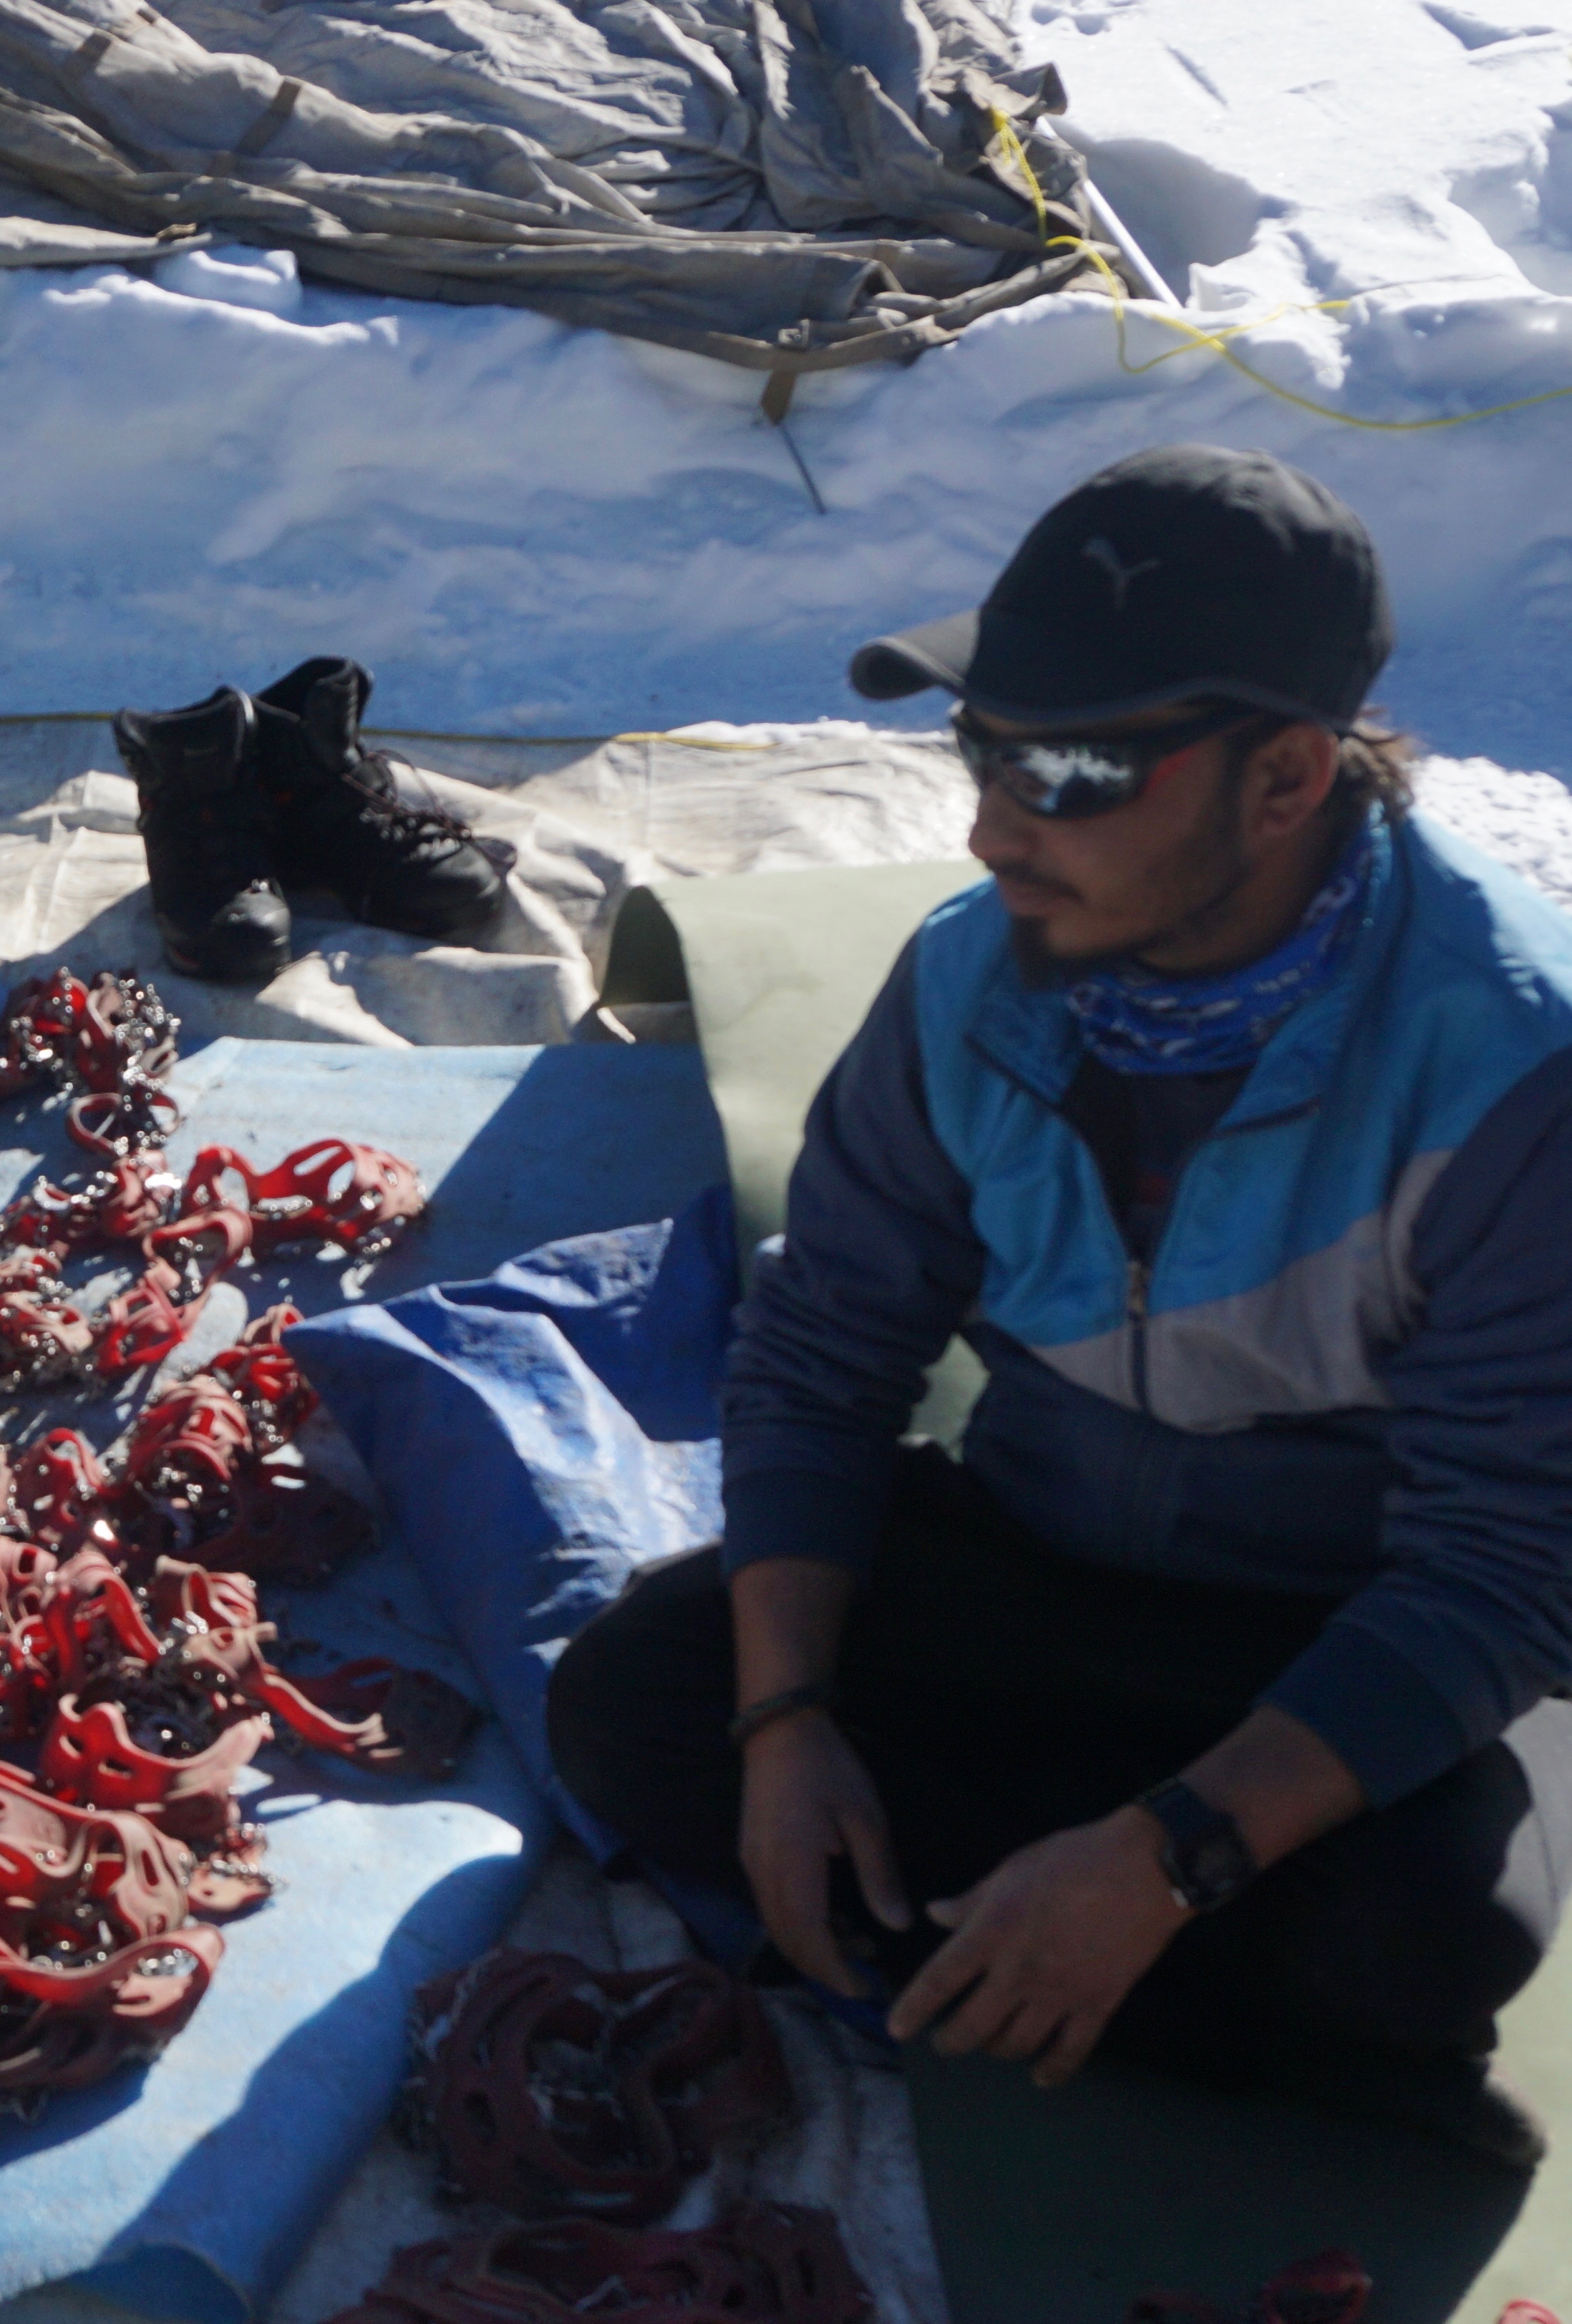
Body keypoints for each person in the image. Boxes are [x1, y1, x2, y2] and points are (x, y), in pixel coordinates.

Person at [547, 446, 1572, 2167]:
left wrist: (1167, 1853)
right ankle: (1079, 1948)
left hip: (1320, 1616)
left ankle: (1040, 1920)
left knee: (1427, 1945)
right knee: (641, 1699)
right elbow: (822, 1355)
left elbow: (1503, 1563)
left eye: (1074, 766)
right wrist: (787, 1723)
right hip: (1029, 1552)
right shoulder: (965, 976)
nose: (991, 822)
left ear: (1288, 776)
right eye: (978, 746)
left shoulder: (1512, 1071)